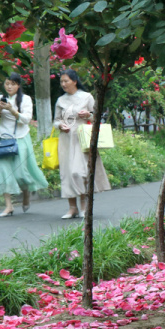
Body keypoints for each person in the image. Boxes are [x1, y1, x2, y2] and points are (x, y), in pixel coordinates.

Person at [0, 73, 49, 217]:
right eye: (7, 83)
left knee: (21, 173)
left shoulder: (25, 99)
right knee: (3, 171)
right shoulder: (0, 99)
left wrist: (12, 110)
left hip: (20, 138)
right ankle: (9, 206)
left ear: (18, 85)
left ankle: (26, 193)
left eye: (13, 84)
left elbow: (26, 119)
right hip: (2, 139)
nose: (9, 86)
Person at [53, 69, 111, 219]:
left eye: (66, 81)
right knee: (66, 173)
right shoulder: (60, 100)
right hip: (66, 139)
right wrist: (60, 126)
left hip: (83, 138)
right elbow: (56, 120)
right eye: (61, 82)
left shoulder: (87, 97)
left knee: (79, 172)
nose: (63, 84)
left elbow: (98, 115)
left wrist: (88, 115)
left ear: (74, 81)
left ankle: (84, 206)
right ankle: (72, 208)